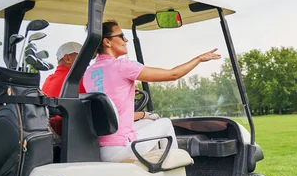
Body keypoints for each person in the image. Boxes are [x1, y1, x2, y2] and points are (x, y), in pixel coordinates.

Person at [83, 20, 221, 163]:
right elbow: (173, 74)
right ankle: (176, 170)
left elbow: (111, 106)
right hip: (122, 147)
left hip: (102, 149)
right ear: (107, 42)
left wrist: (128, 93)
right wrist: (199, 59)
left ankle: (153, 168)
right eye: (121, 36)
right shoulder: (122, 65)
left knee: (150, 122)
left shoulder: (89, 72)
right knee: (166, 123)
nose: (126, 40)